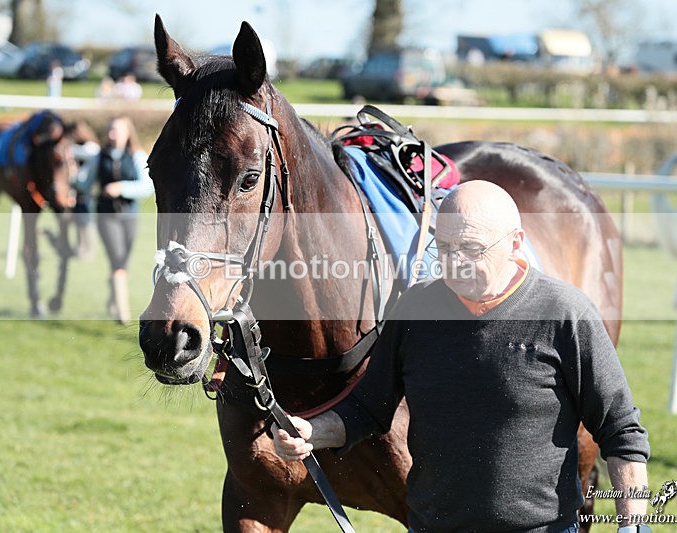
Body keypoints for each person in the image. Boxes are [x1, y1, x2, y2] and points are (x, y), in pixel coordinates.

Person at [273, 181, 651, 532]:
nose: (454, 262)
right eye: (444, 247)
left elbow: (621, 432)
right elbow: (368, 408)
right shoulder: (416, 309)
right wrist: (313, 432)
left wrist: (633, 526)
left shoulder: (565, 312)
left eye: (471, 249)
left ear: (515, 243)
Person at [76, 116, 153, 325]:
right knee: (118, 260)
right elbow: (84, 183)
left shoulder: (137, 156)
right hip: (106, 216)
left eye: (116, 130)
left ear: (127, 133)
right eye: (110, 130)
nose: (112, 134)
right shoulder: (98, 157)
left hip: (130, 216)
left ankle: (113, 296)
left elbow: (147, 187)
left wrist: (121, 188)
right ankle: (123, 312)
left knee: (122, 261)